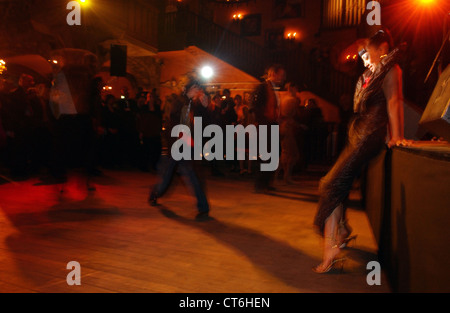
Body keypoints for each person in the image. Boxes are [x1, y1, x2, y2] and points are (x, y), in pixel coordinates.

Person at [312, 29, 405, 273]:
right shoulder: (371, 71)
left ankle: (332, 246)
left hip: (369, 134)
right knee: (336, 183)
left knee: (331, 183)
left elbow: (395, 101)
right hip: (359, 133)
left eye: (368, 50)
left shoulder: (391, 69)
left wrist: (397, 136)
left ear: (382, 48)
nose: (364, 54)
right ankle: (341, 231)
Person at [149, 78, 211, 221]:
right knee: (168, 175)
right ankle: (155, 193)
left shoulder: (195, 104)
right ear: (187, 89)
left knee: (192, 174)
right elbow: (174, 116)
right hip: (177, 144)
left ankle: (203, 209)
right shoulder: (178, 100)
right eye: (195, 88)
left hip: (188, 145)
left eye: (198, 88)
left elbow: (204, 122)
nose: (197, 91)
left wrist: (205, 107)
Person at [249, 64, 286, 193]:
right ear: (273, 74)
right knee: (265, 154)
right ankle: (261, 184)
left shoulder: (272, 89)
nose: (282, 78)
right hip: (265, 125)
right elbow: (253, 105)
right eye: (280, 75)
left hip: (272, 124)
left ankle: (267, 182)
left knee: (273, 154)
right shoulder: (263, 87)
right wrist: (259, 121)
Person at [279, 82, 301, 184]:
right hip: (287, 128)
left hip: (284, 127)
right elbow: (287, 117)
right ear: (292, 88)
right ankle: (286, 176)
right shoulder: (290, 100)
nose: (297, 90)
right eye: (296, 88)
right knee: (293, 154)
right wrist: (298, 125)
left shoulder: (284, 99)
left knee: (285, 153)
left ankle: (284, 175)